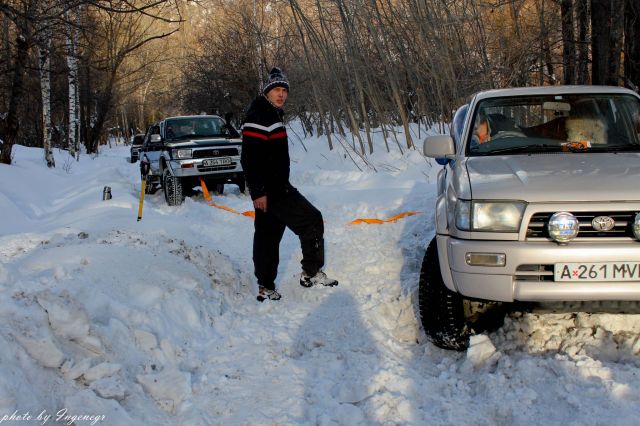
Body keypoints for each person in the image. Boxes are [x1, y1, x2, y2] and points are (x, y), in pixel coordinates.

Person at [241, 67, 338, 302]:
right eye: (276, 90)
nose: (281, 94)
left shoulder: (271, 113)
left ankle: (265, 285)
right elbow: (249, 159)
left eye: (284, 90)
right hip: (274, 190)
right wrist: (259, 192)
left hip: (273, 187)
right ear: (267, 92)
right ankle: (311, 273)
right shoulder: (260, 116)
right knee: (312, 220)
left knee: (268, 237)